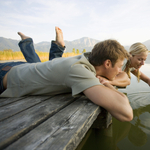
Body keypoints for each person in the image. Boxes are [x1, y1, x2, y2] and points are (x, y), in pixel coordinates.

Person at [0, 27, 133, 122]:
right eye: (120, 66)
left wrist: (107, 82)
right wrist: (108, 85)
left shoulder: (87, 59)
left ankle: (35, 43)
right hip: (4, 77)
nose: (120, 71)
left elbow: (125, 79)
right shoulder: (79, 71)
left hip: (18, 67)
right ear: (107, 63)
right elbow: (126, 114)